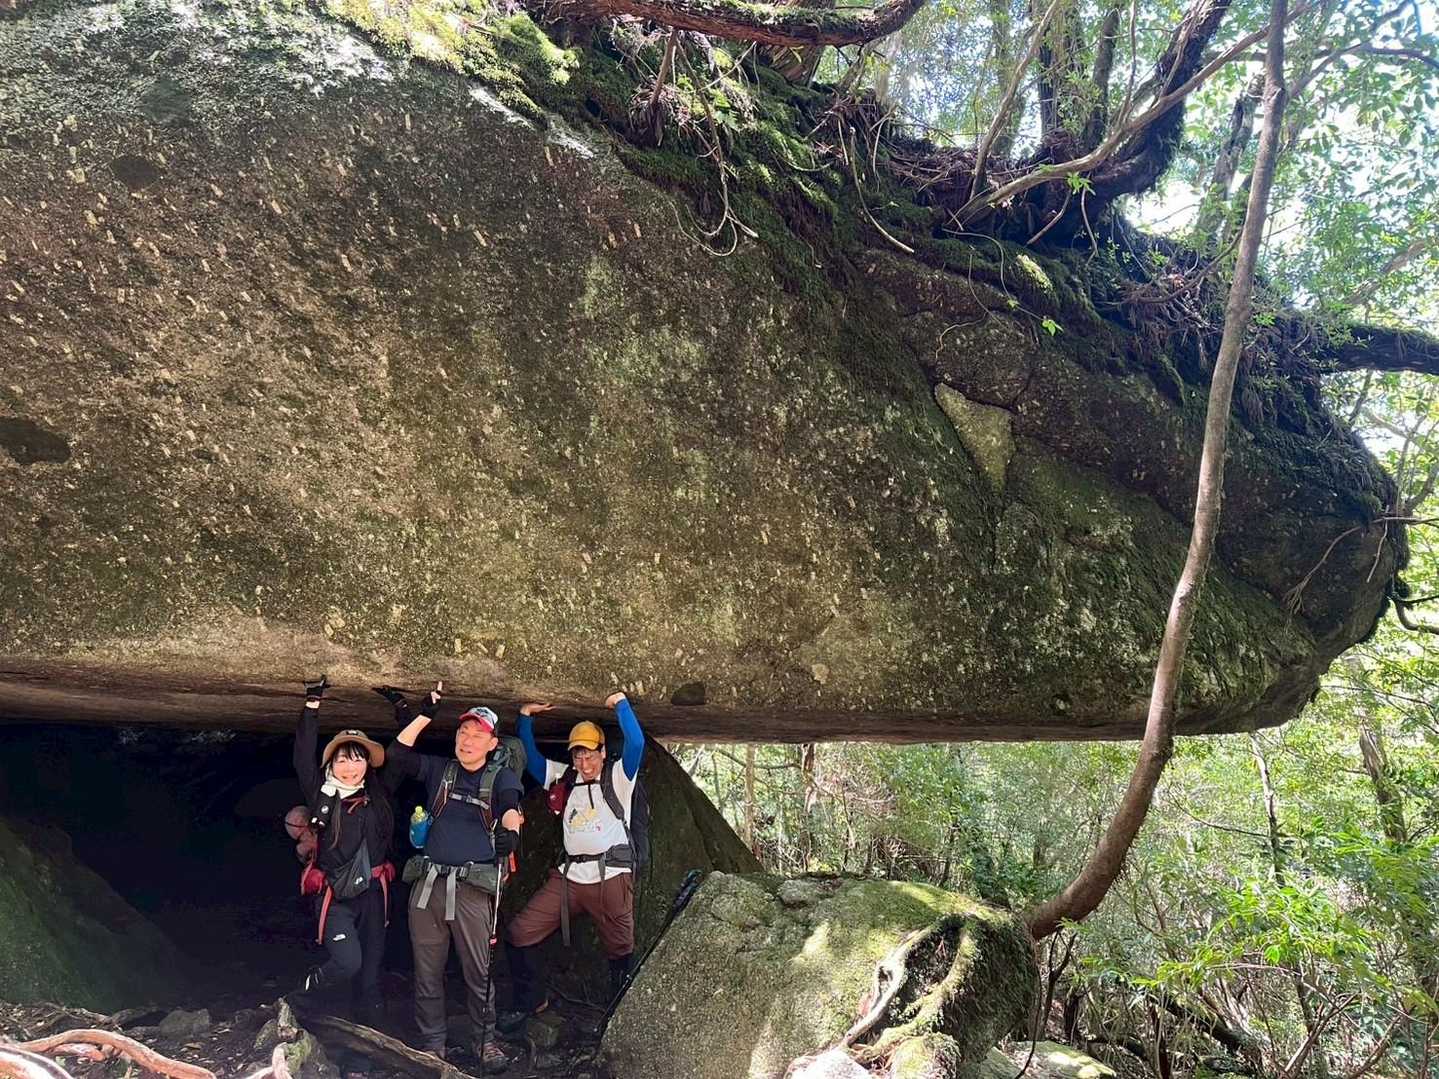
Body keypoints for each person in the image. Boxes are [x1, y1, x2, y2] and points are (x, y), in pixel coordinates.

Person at [383, 682, 522, 1073]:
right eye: (463, 731)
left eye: (478, 735)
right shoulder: (439, 770)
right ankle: (434, 1044)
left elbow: (510, 808)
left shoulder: (501, 777)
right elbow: (396, 756)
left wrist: (511, 833)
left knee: (479, 971)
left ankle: (485, 1041)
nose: (468, 740)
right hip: (427, 886)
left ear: (492, 744)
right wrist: (425, 715)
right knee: (427, 970)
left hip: (472, 889)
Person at [501, 690, 644, 1032]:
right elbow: (532, 760)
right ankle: (531, 1000)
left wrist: (620, 704)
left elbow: (637, 743)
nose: (584, 763)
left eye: (590, 755)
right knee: (520, 931)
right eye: (578, 756)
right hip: (569, 877)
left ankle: (618, 1015)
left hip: (611, 875)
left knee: (621, 948)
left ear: (603, 752)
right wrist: (525, 717)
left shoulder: (619, 777)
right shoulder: (565, 778)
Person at [291, 675, 399, 1062]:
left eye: (357, 758)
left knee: (369, 976)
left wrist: (406, 710)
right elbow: (302, 756)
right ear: (332, 764)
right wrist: (312, 705)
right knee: (347, 962)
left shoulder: (378, 794)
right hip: (336, 895)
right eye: (342, 758)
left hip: (373, 895)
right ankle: (304, 995)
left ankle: (364, 1055)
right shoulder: (321, 793)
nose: (350, 766)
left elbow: (403, 753)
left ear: (367, 763)